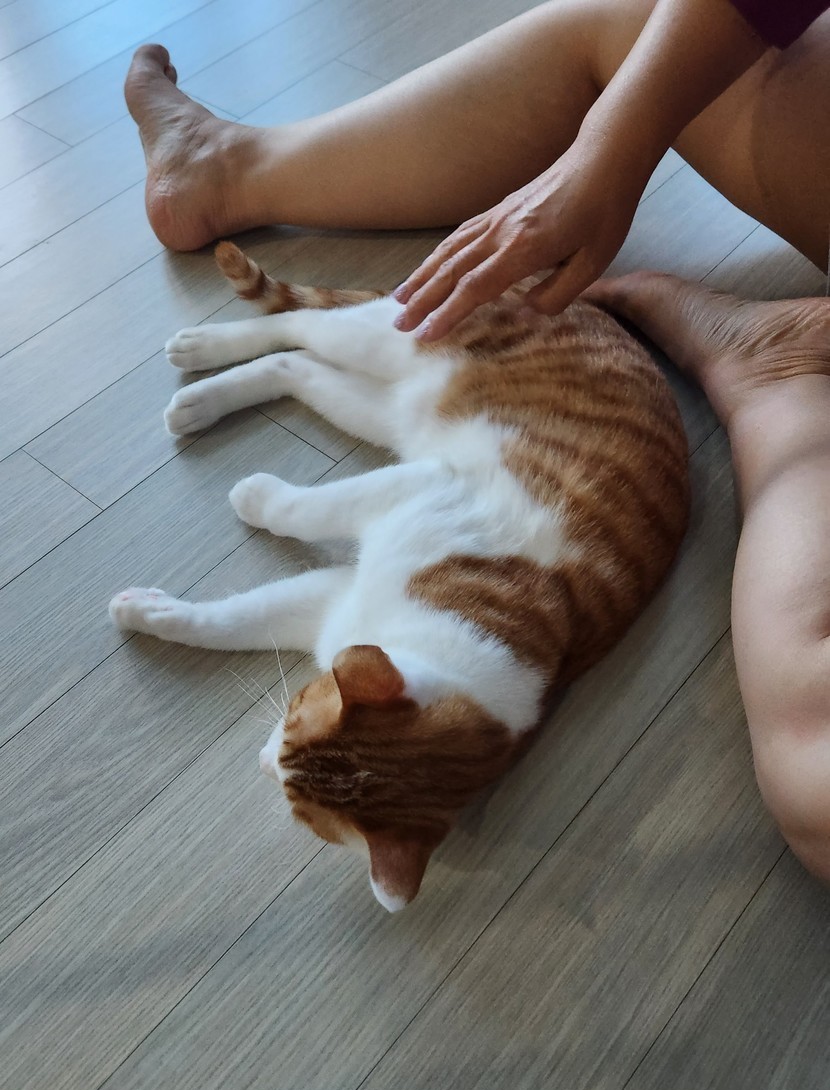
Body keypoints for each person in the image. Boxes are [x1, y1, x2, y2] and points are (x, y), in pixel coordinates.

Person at [124, 0, 830, 882]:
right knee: (635, 27)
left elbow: (340, 596)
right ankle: (231, 190)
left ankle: (776, 375)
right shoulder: (432, 665)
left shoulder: (436, 687)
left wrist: (195, 619)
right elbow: (412, 506)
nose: (273, 755)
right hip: (542, 406)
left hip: (493, 445)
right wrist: (610, 151)